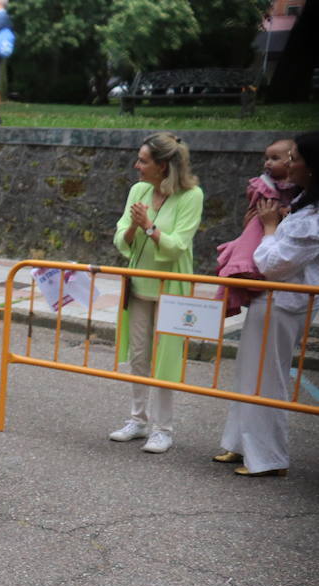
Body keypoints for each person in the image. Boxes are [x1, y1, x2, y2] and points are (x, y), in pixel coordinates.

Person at [216, 131, 319, 478]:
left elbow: (273, 263)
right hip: (272, 299)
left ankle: (268, 457)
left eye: (295, 158)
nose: (289, 164)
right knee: (249, 371)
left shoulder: (314, 219)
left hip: (285, 301)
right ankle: (241, 443)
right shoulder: (303, 202)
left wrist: (271, 228)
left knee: (267, 377)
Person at [110, 133, 204, 455]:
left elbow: (178, 245)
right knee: (139, 357)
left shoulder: (192, 196)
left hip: (172, 289)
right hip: (139, 287)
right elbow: (121, 235)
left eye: (144, 160)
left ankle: (163, 430)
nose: (137, 165)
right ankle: (138, 420)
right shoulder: (138, 190)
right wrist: (136, 228)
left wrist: (149, 226)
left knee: (165, 361)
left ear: (163, 166)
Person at [214, 138, 300, 316]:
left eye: (275, 158)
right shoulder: (264, 185)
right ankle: (244, 270)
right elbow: (262, 206)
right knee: (248, 250)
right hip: (260, 227)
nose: (268, 163)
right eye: (267, 158)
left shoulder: (299, 189)